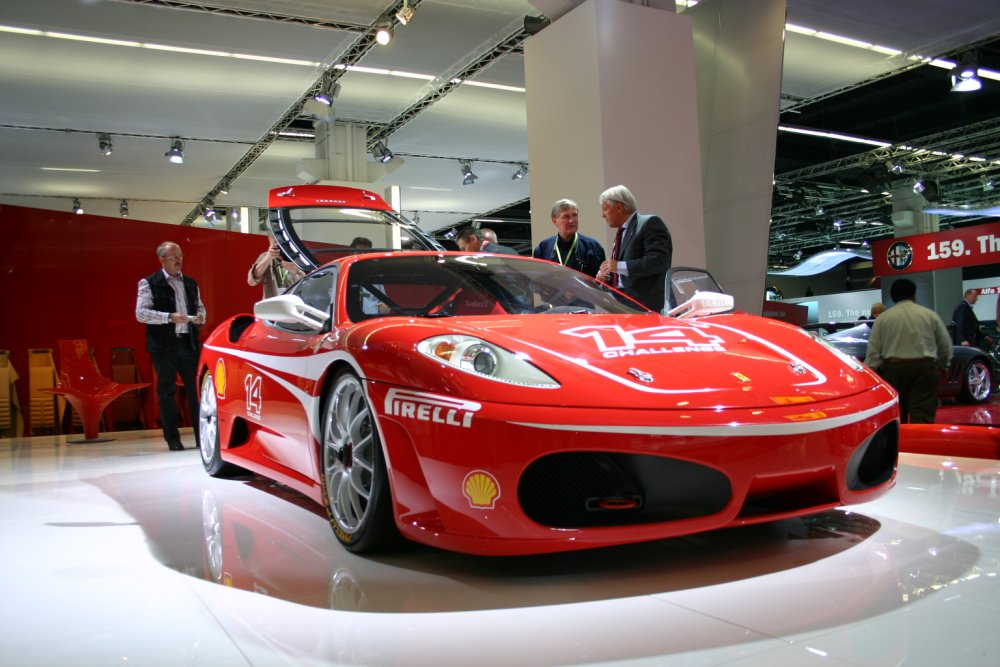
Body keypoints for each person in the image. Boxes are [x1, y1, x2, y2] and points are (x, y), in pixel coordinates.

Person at [136, 241, 207, 450]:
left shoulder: (191, 283)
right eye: (174, 256)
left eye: (180, 256)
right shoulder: (149, 283)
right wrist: (169, 317)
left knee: (197, 392)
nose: (179, 260)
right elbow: (141, 313)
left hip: (189, 345)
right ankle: (173, 439)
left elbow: (201, 307)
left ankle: (201, 438)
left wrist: (201, 317)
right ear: (162, 259)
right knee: (166, 393)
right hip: (164, 347)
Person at [865, 278, 952, 424]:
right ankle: (920, 444)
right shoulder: (929, 315)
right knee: (923, 415)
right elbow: (945, 345)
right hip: (924, 369)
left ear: (893, 298)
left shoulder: (883, 319)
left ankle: (901, 444)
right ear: (914, 295)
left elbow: (873, 352)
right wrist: (943, 366)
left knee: (897, 415)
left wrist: (869, 374)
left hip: (894, 371)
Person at [595, 185, 672, 312]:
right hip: (622, 306)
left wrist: (618, 266)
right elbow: (622, 276)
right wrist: (606, 276)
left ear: (619, 207)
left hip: (646, 307)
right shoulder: (621, 232)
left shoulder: (649, 223)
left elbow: (658, 260)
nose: (603, 215)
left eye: (605, 209)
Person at [532, 198, 606, 278]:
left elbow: (601, 283)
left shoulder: (592, 247)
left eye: (574, 215)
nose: (571, 221)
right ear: (554, 221)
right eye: (566, 216)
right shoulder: (543, 248)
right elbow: (537, 280)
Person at [455, 227, 519, 255]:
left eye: (463, 248)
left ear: (473, 239)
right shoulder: (509, 250)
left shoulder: (485, 256)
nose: (464, 253)